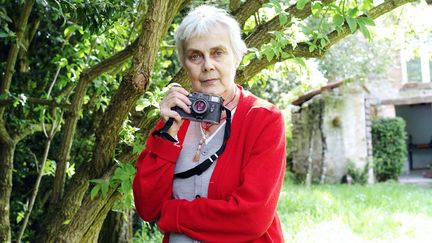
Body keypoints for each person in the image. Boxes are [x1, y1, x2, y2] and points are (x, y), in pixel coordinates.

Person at [133, 5, 286, 243]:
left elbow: (251, 217)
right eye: (195, 56)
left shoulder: (264, 119)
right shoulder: (175, 118)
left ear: (237, 56)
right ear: (185, 63)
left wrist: (174, 214)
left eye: (218, 53)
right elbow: (147, 208)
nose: (207, 65)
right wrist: (167, 136)